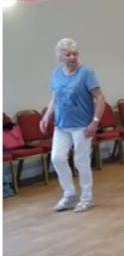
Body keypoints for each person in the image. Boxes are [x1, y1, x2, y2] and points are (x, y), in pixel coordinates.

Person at [40, 38, 105, 213]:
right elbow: (55, 97)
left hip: (82, 126)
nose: (72, 57)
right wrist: (47, 115)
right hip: (61, 125)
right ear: (60, 56)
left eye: (75, 54)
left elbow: (100, 98)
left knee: (80, 161)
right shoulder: (56, 74)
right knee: (57, 158)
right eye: (68, 54)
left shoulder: (86, 72)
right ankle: (69, 195)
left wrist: (95, 122)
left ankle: (86, 198)